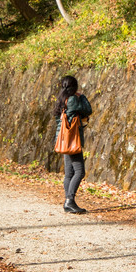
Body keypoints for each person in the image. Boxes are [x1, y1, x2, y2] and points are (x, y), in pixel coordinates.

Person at [54, 75, 92, 214]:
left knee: (69, 173)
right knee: (79, 171)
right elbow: (88, 110)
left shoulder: (61, 100)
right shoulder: (73, 100)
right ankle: (69, 201)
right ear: (74, 87)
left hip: (63, 139)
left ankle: (68, 202)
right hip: (72, 140)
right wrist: (81, 96)